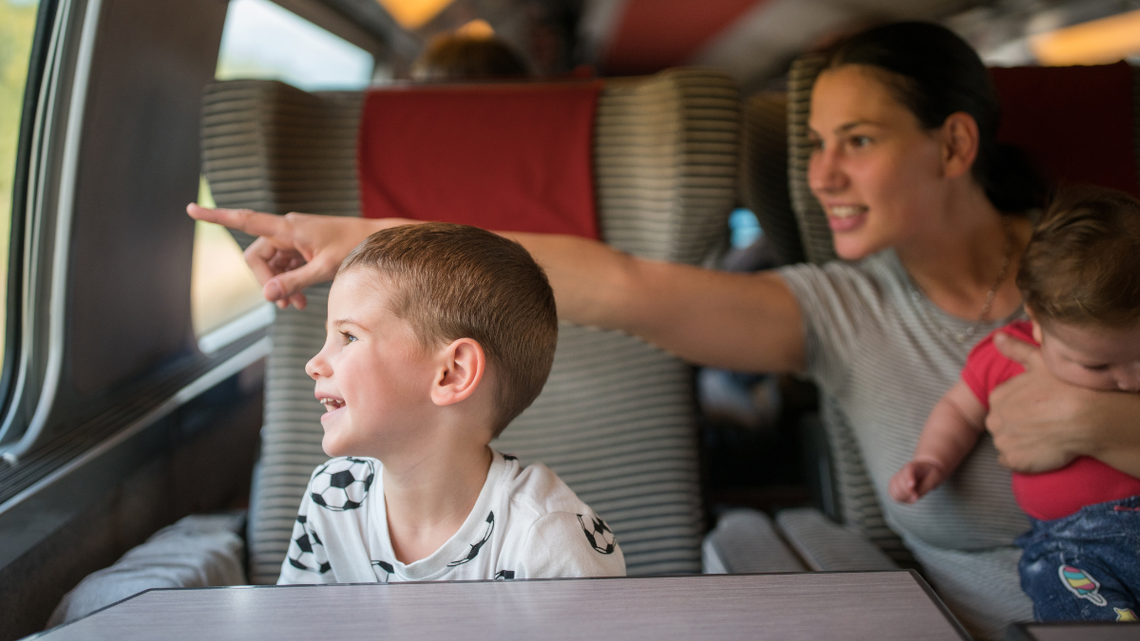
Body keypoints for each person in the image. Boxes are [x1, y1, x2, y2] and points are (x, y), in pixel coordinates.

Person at [188, 21, 1140, 639]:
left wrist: (1105, 428)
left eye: (859, 141)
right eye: (812, 146)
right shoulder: (834, 311)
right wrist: (362, 237)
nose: (820, 177)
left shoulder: (1119, 266)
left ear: (955, 144)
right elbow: (617, 281)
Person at [276, 223, 625, 585]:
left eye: (348, 336)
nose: (314, 364)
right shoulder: (331, 497)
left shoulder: (550, 541)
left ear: (452, 373)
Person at [889, 187, 1140, 622]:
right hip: (1072, 547)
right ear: (1037, 325)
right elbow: (959, 410)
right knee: (1083, 609)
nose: (1130, 378)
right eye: (1098, 365)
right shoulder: (1005, 354)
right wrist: (931, 458)